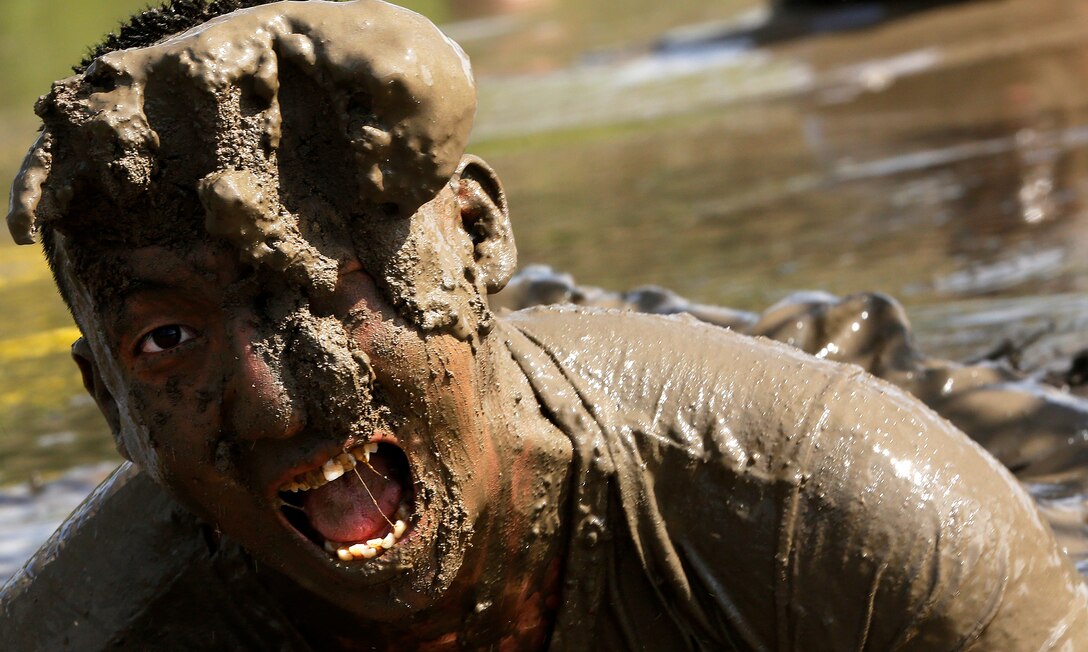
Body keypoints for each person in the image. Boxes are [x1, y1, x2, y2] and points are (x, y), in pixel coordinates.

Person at [2, 0, 1086, 649]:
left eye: (331, 281)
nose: (276, 399)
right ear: (108, 401)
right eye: (164, 342)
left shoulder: (852, 516)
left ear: (474, 239)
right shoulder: (99, 629)